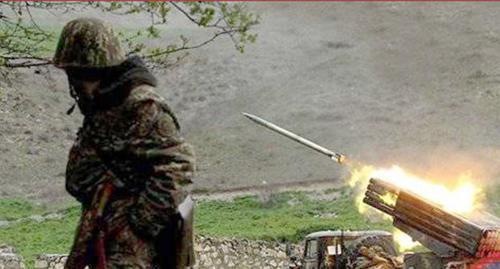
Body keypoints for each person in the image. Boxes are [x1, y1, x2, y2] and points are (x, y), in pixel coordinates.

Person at [53, 18, 196, 269]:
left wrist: (138, 225)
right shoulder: (103, 105)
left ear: (91, 69)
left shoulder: (140, 105)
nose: (73, 83)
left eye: (76, 73)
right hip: (103, 230)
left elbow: (179, 165)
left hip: (133, 250)